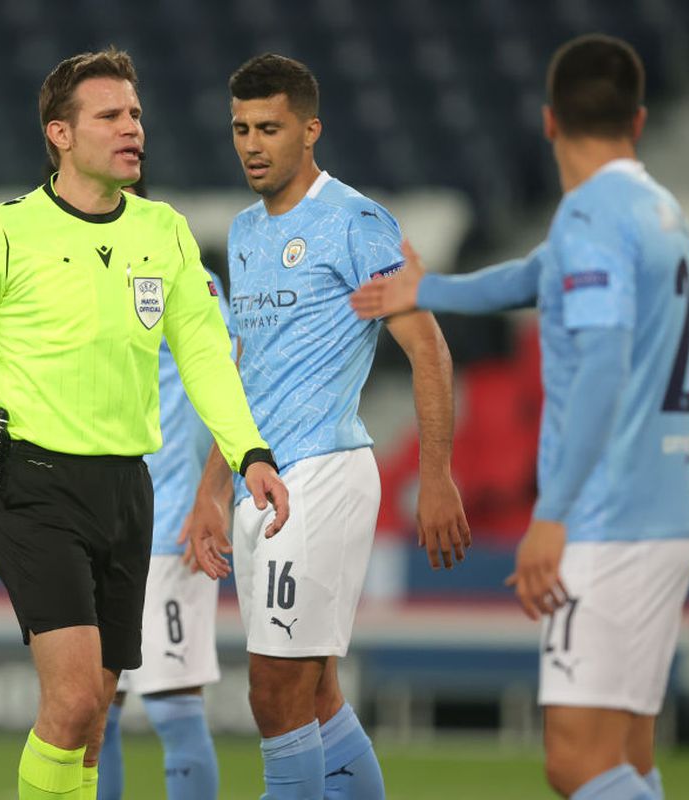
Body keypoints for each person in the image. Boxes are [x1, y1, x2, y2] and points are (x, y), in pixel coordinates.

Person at [0, 48, 290, 800]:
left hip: (126, 490)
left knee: (97, 716)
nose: (132, 127)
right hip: (32, 484)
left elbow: (208, 358)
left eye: (135, 113)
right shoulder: (0, 235)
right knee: (73, 702)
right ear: (61, 135)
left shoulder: (165, 233)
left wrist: (251, 455)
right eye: (109, 115)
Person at [353, 34, 689, 800]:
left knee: (575, 762)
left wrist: (553, 516)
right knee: (629, 755)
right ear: (637, 122)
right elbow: (529, 277)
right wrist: (426, 291)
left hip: (607, 523)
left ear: (549, 122)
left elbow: (605, 367)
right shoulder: (659, 211)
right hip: (670, 510)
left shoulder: (592, 221)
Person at [190, 54, 470, 799]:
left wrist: (437, 476)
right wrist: (212, 489)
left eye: (270, 128)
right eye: (241, 128)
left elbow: (428, 348)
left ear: (310, 130)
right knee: (314, 697)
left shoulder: (355, 222)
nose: (252, 143)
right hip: (261, 484)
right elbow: (242, 372)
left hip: (318, 477)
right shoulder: (246, 233)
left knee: (274, 695)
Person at [97, 170, 229, 800]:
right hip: (95, 522)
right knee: (95, 708)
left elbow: (228, 380)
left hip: (168, 518)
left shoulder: (184, 269)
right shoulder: (75, 270)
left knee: (173, 704)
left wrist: (212, 495)